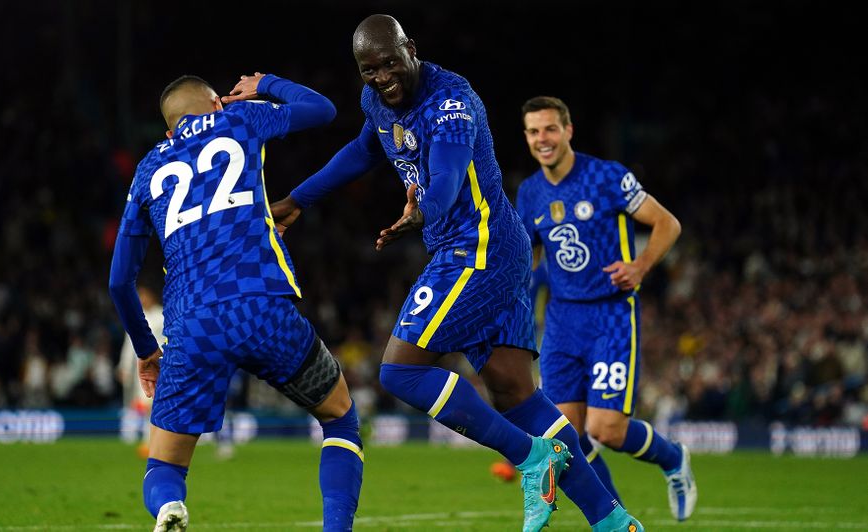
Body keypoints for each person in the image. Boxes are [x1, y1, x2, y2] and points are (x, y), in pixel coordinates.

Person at [270, 14, 643, 532]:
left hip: (478, 249)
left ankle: (532, 458)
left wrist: (422, 210)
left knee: (400, 370)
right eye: (368, 69)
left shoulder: (451, 104)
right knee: (515, 392)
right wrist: (296, 199)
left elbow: (445, 178)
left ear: (412, 49)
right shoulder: (376, 101)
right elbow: (362, 151)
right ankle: (612, 520)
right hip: (493, 247)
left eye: (389, 63)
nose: (381, 77)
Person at [108, 72, 364, 532]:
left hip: (193, 324)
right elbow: (322, 108)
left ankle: (169, 508)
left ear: (170, 130)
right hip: (261, 306)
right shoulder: (239, 119)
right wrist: (264, 82)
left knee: (164, 467)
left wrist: (148, 351)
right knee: (341, 418)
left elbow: (119, 281)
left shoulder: (147, 169)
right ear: (217, 105)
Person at [515, 95, 697, 521]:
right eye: (534, 131)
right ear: (526, 137)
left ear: (568, 130)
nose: (543, 139)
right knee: (565, 438)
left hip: (610, 316)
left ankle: (673, 460)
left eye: (550, 129)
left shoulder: (607, 177)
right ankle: (617, 521)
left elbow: (667, 223)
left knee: (606, 430)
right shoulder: (529, 192)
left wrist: (640, 266)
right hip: (561, 320)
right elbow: (531, 258)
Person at [117, 286, 164, 458]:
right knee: (146, 407)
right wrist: (123, 366)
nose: (142, 299)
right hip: (142, 368)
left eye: (144, 295)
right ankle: (150, 442)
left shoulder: (162, 315)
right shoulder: (136, 317)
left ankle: (157, 442)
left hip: (162, 366)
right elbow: (129, 345)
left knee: (156, 405)